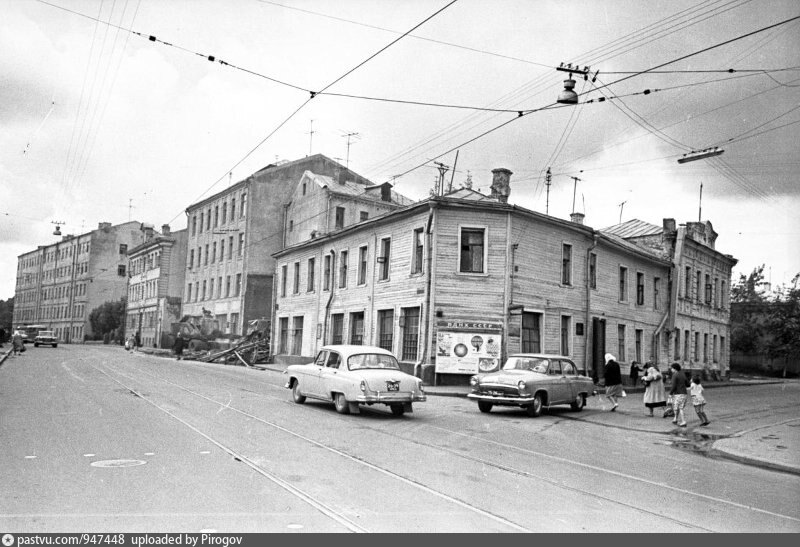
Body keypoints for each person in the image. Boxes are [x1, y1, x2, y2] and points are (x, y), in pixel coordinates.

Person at [669, 363, 691, 427]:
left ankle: (683, 421)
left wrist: (670, 393)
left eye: (672, 368)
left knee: (679, 407)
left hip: (678, 393)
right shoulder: (683, 374)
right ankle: (675, 419)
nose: (671, 369)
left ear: (675, 369)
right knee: (678, 407)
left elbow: (673, 386)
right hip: (684, 393)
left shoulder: (675, 375)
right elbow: (688, 384)